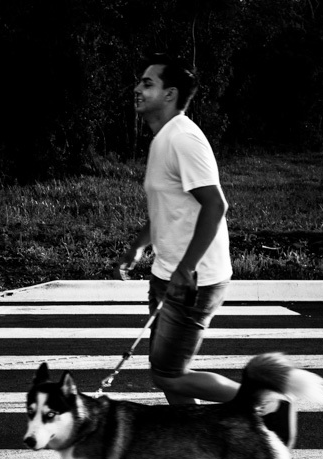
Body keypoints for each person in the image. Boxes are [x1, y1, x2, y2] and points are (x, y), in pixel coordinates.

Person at [117, 53, 242, 411]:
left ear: (169, 94)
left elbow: (216, 205)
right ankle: (196, 451)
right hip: (169, 273)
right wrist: (138, 246)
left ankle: (263, 402)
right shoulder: (163, 139)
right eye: (140, 82)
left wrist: (186, 268)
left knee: (168, 374)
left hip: (193, 280)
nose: (138, 89)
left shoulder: (183, 139)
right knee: (167, 372)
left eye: (147, 83)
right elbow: (169, 208)